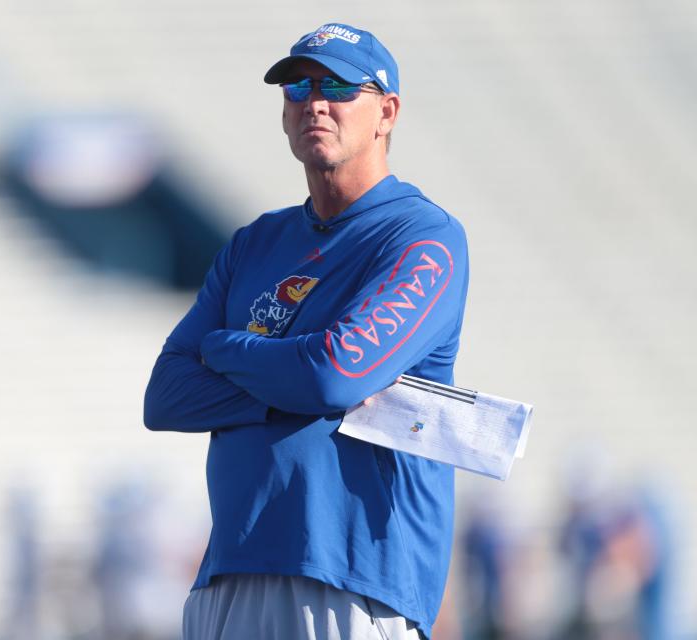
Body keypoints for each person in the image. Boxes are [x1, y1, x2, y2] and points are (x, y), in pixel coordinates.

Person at [144, 22, 470, 640]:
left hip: (355, 579)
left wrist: (226, 349)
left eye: (339, 86)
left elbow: (331, 375)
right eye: (297, 87)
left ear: (386, 113)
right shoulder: (254, 243)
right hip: (232, 572)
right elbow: (165, 395)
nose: (314, 102)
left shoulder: (424, 238)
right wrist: (292, 377)